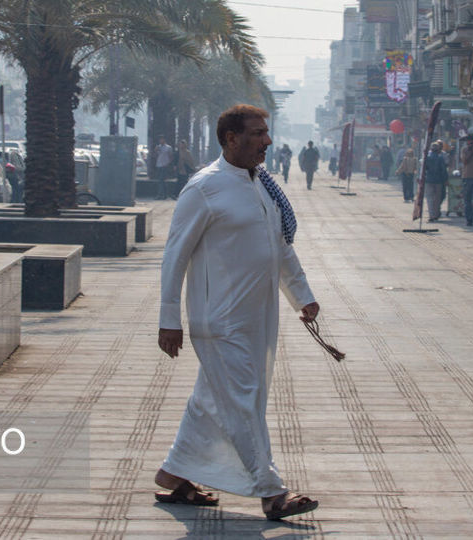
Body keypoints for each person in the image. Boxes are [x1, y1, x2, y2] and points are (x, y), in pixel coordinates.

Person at [156, 104, 321, 521]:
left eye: (266, 133)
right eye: (257, 133)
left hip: (257, 319)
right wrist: (169, 319)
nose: (267, 141)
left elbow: (279, 246)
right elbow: (175, 256)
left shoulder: (260, 185)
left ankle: (174, 475)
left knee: (212, 401)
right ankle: (272, 493)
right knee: (244, 402)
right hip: (219, 322)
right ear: (231, 138)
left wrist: (302, 295)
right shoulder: (203, 189)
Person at [424, 141, 448, 222]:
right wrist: (445, 179)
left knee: (429, 198)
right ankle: (435, 214)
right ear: (438, 150)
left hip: (428, 180)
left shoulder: (426, 157)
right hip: (438, 181)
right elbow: (443, 170)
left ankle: (431, 215)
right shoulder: (440, 158)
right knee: (437, 199)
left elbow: (424, 169)